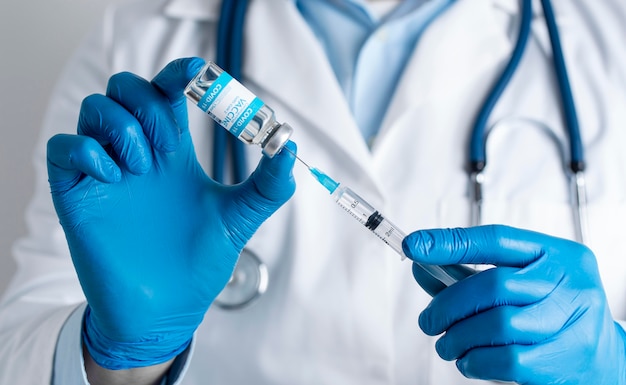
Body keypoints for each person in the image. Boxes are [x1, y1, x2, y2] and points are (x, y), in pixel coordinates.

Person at [1, 0, 626, 384]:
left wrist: (613, 364)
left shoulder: (609, 39)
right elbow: (20, 350)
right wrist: (118, 357)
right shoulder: (136, 39)